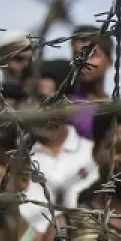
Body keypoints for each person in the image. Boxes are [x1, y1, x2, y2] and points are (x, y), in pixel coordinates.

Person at [27, 60, 100, 211]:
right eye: (29, 99)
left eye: (44, 100)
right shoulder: (16, 155)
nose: (34, 108)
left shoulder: (92, 155)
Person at [65, 26, 116, 139]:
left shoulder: (117, 108)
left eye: (92, 55)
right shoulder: (65, 107)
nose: (84, 62)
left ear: (110, 62)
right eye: (77, 55)